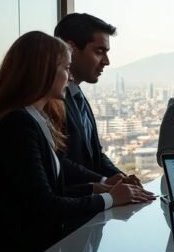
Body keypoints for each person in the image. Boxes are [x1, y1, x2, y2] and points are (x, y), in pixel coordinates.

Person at [0, 31, 152, 252]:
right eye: (66, 68)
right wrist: (110, 199)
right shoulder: (17, 124)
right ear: (42, 72)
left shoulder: (32, 118)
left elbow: (42, 193)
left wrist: (99, 187)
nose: (70, 76)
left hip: (32, 251)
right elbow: (45, 205)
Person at [53, 13, 141, 187]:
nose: (106, 62)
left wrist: (119, 177)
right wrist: (104, 182)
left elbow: (95, 155)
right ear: (70, 49)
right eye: (99, 51)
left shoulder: (77, 96)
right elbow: (57, 161)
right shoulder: (50, 101)